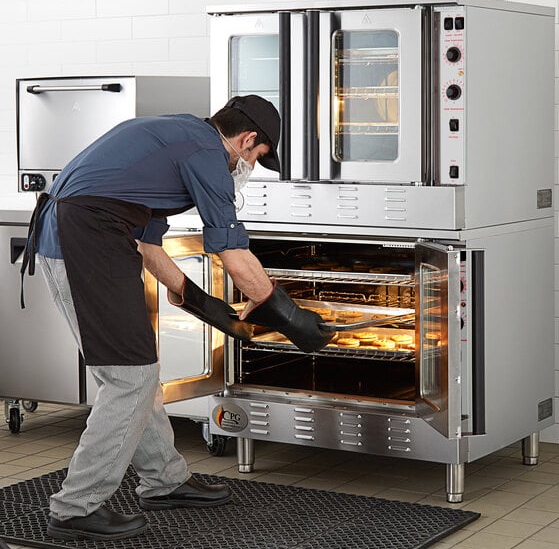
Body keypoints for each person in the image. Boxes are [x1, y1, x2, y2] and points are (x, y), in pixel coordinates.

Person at [21, 94, 333, 541]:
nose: (249, 167)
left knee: (137, 374)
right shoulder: (208, 153)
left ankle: (164, 481)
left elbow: (148, 245)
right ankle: (75, 508)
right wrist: (287, 313)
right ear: (247, 140)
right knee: (130, 378)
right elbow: (230, 247)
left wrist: (199, 301)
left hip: (79, 238)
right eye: (257, 158)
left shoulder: (179, 134)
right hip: (85, 241)